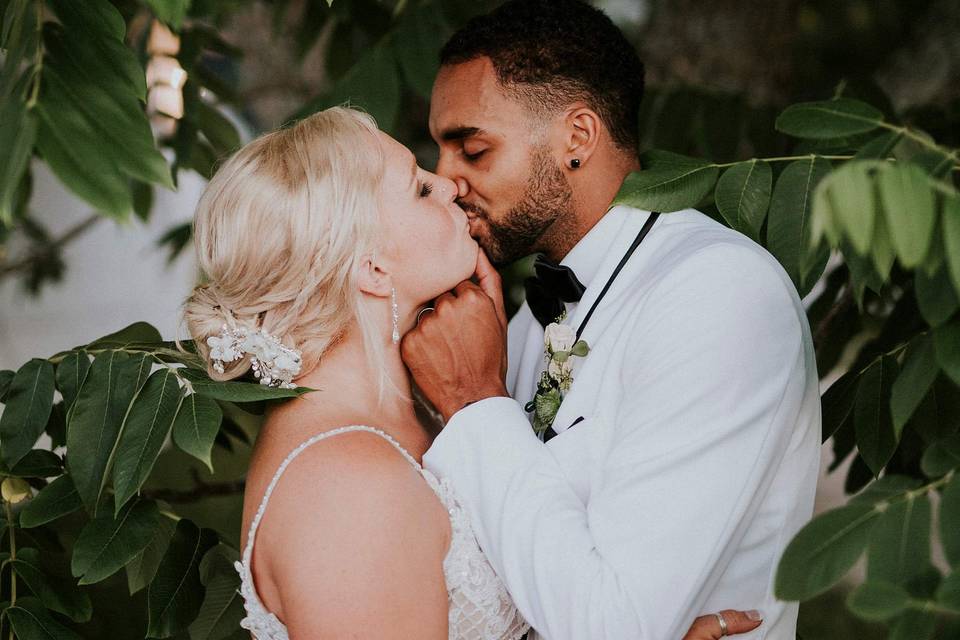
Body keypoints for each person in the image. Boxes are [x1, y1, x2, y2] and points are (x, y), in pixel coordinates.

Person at [182, 107, 760, 639]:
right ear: (374, 268)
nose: (449, 184)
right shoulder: (347, 487)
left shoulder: (406, 418)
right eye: (417, 187)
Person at [400, 1, 822, 639]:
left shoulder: (717, 294)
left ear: (577, 137)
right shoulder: (523, 321)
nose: (446, 179)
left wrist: (475, 402)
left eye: (473, 148)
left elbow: (611, 625)